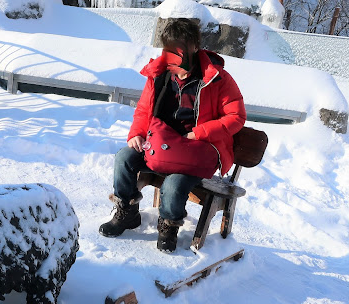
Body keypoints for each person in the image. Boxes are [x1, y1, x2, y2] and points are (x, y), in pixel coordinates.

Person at [99, 18, 246, 252]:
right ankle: (127, 212)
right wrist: (136, 133)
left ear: (194, 48)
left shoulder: (217, 79)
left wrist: (200, 132)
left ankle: (169, 225)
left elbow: (236, 116)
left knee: (174, 185)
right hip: (158, 145)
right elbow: (145, 110)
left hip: (195, 151)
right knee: (123, 159)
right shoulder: (159, 74)